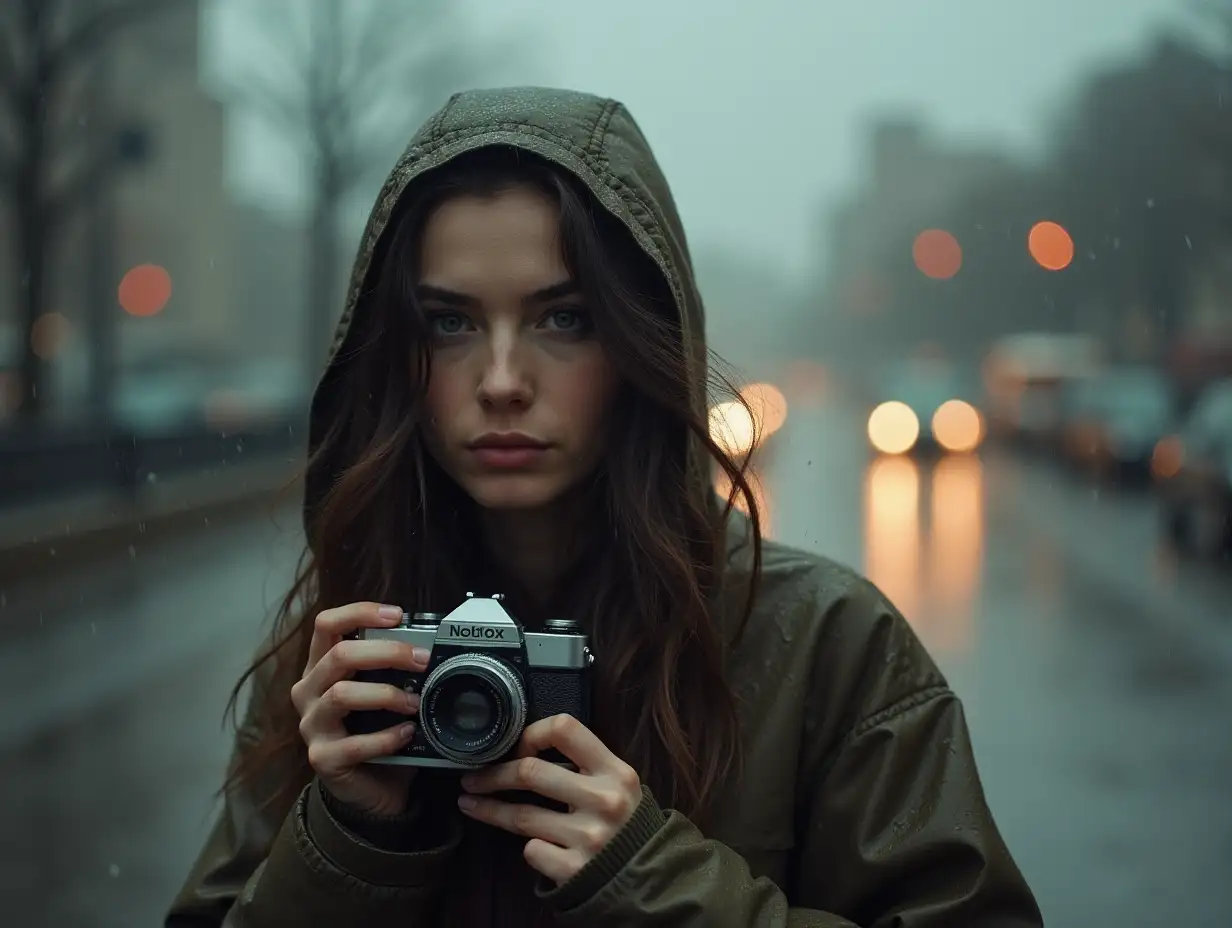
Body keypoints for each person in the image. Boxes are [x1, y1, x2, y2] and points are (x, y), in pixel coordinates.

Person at [166, 86, 1042, 927]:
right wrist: (348, 841)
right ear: (391, 353)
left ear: (638, 341)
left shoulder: (826, 646)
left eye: (565, 320)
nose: (503, 383)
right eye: (449, 323)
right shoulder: (349, 660)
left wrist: (650, 877)